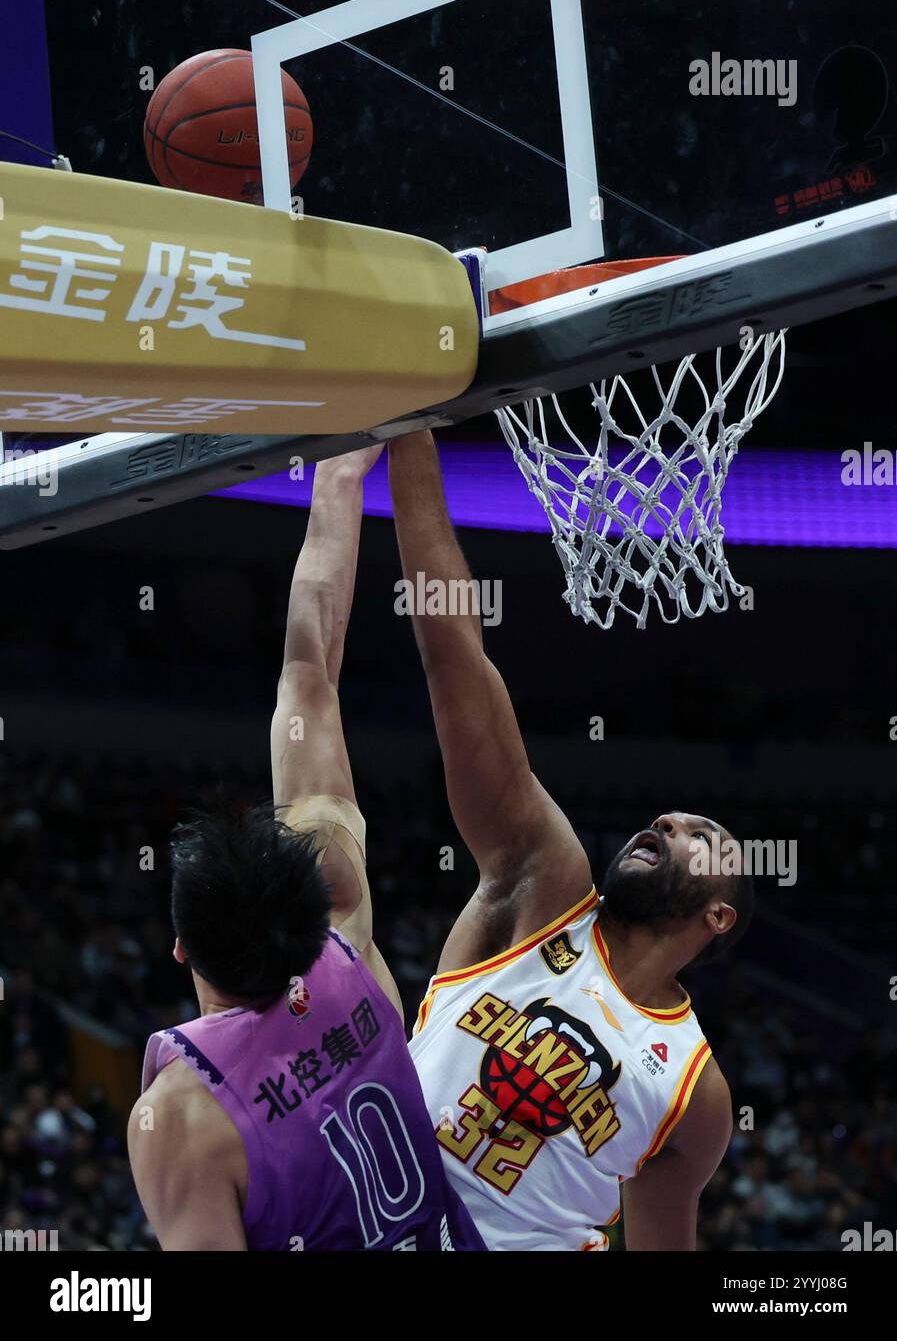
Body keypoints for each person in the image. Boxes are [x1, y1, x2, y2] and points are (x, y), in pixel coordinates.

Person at [389, 430, 750, 1252]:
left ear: (720, 914)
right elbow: (453, 653)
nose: (667, 822)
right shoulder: (543, 882)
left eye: (701, 835)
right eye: (668, 819)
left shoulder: (695, 1091)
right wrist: (402, 433)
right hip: (382, 1223)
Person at [128, 445, 483, 1252]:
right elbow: (307, 667)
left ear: (183, 948)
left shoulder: (182, 1117)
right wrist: (341, 469)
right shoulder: (343, 938)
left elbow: (305, 668)